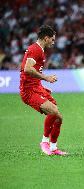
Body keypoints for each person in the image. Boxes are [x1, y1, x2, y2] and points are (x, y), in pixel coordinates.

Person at [20, 25, 67, 156]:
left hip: (37, 87)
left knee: (58, 117)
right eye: (52, 39)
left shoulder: (39, 49)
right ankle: (44, 142)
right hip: (29, 91)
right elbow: (27, 69)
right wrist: (46, 78)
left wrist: (41, 84)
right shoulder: (35, 49)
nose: (53, 41)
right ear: (46, 38)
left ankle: (53, 148)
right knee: (53, 111)